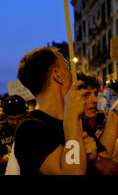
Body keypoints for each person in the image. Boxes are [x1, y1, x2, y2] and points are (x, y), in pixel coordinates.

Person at [14, 47, 89, 175]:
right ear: (57, 75)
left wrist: (94, 158)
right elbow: (72, 173)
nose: (72, 74)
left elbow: (112, 168)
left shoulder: (78, 119)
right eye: (68, 68)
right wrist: (71, 117)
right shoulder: (29, 129)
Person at [0, 95, 27, 175]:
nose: (15, 123)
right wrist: (3, 160)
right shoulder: (1, 132)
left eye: (19, 118)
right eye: (11, 119)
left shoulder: (31, 129)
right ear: (5, 117)